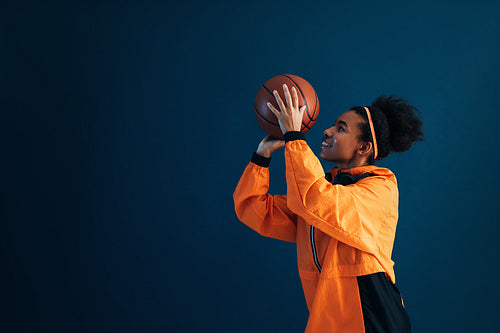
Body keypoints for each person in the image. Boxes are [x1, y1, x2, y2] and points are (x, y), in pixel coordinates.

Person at [233, 84, 424, 332]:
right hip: (328, 322)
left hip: (372, 320)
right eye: (334, 124)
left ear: (364, 148)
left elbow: (317, 201)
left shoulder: (380, 189)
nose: (326, 130)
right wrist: (262, 156)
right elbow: (254, 210)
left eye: (340, 128)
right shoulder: (325, 187)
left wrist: (295, 137)